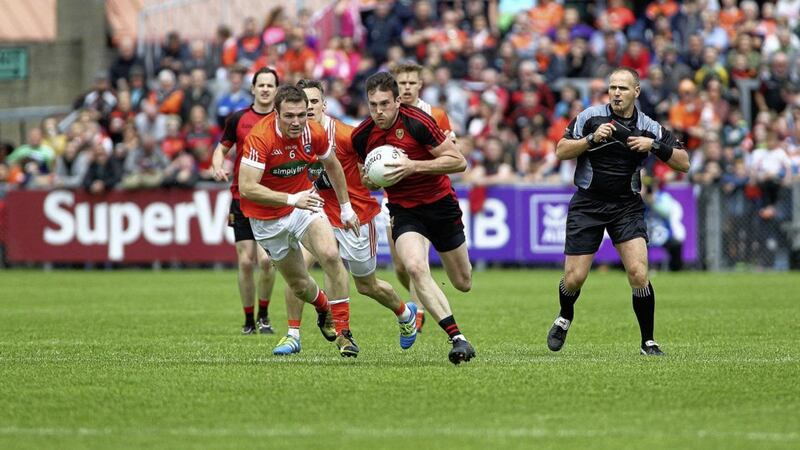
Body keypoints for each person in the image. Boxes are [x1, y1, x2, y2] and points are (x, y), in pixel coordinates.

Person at [546, 67, 690, 356]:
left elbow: (684, 163)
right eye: (612, 87)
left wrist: (655, 146)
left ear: (636, 92)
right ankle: (564, 316)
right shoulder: (590, 117)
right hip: (588, 203)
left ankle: (648, 341)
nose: (616, 93)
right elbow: (560, 151)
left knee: (638, 272)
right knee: (574, 279)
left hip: (626, 205)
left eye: (623, 88)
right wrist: (590, 140)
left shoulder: (649, 126)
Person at [272, 79, 418, 355]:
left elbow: (376, 168)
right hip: (316, 213)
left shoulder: (346, 136)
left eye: (314, 102)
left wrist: (383, 191)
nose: (309, 107)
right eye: (304, 103)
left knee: (367, 285)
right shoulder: (293, 136)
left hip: (355, 214)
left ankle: (404, 314)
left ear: (324, 105)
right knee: (297, 271)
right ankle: (296, 334)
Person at [352, 72, 475, 365]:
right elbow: (365, 180)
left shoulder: (418, 122)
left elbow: (458, 161)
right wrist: (373, 178)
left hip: (440, 205)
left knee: (463, 282)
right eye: (373, 105)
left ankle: (449, 317)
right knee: (415, 267)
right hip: (404, 210)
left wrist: (412, 167)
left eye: (384, 103)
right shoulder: (362, 135)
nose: (379, 111)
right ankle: (458, 338)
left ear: (397, 100)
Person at [239, 85, 361, 357]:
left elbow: (333, 165)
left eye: (302, 115)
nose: (296, 122)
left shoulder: (313, 131)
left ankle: (344, 333)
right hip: (267, 218)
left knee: (330, 254)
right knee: (300, 285)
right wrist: (291, 199)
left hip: (304, 204)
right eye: (289, 116)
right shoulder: (260, 138)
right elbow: (247, 187)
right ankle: (324, 307)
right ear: (276, 113)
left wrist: (345, 208)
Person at [388, 62, 456, 333]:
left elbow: (452, 150)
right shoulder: (388, 114)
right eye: (401, 83)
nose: (405, 87)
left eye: (410, 83)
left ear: (419, 85)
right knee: (400, 266)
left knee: (417, 262)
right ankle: (422, 297)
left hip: (426, 197)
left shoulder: (435, 115)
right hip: (393, 196)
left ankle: (419, 309)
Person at [211, 67, 279, 335]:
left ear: (276, 90)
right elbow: (221, 149)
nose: (264, 89)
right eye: (260, 85)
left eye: (269, 85)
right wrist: (218, 166)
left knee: (266, 261)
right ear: (253, 89)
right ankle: (249, 319)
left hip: (270, 200)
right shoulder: (238, 119)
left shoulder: (283, 119)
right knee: (245, 261)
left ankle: (264, 314)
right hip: (241, 198)